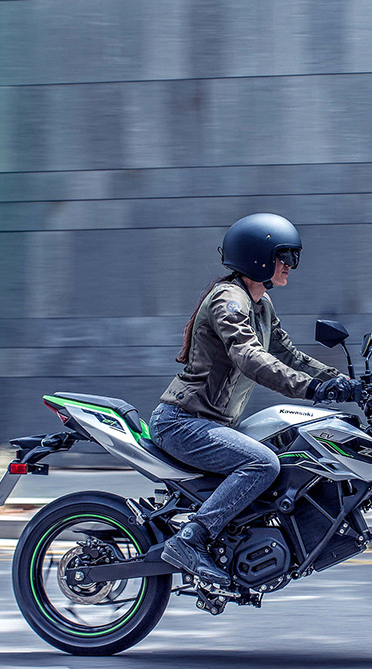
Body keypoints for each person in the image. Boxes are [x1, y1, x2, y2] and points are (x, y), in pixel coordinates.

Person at [150, 213, 356, 585]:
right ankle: (191, 539)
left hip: (212, 423)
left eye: (292, 258)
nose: (290, 266)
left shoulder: (261, 304)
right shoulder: (228, 300)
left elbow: (289, 354)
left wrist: (341, 382)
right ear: (258, 257)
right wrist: (309, 389)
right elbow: (250, 356)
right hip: (183, 422)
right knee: (263, 464)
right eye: (284, 257)